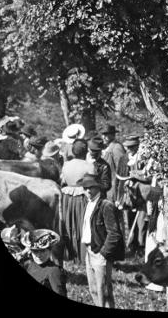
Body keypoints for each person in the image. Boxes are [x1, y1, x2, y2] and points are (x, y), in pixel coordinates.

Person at [79, 172, 125, 308]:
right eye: (85, 187)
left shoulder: (105, 205)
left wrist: (104, 253)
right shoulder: (88, 203)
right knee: (93, 289)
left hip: (100, 253)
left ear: (98, 187)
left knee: (103, 291)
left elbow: (114, 233)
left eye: (91, 187)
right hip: (89, 250)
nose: (88, 190)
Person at [61, 138, 93, 262]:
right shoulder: (89, 166)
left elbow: (63, 181)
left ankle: (70, 254)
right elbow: (92, 183)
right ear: (86, 152)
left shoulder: (66, 165)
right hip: (82, 197)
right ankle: (82, 255)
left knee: (69, 224)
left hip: (67, 197)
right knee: (82, 225)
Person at [20, 229, 67, 297]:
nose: (39, 256)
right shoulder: (28, 265)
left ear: (50, 250)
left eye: (43, 251)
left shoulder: (54, 271)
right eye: (35, 251)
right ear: (30, 251)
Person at [99, 123, 129, 205]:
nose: (103, 137)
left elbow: (122, 169)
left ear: (113, 135)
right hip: (107, 186)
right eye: (103, 135)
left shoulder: (116, 147)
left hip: (114, 187)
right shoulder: (108, 147)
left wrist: (119, 190)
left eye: (106, 135)